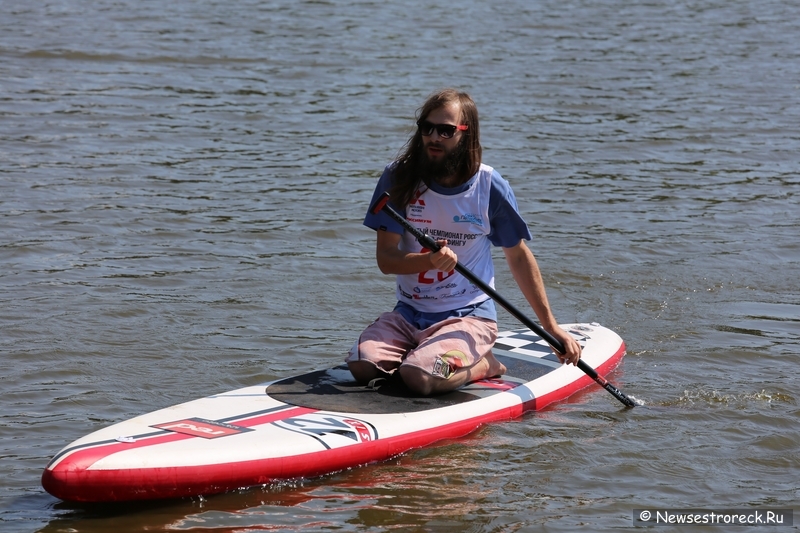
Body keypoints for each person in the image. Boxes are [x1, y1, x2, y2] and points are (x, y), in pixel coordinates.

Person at [346, 88, 581, 396]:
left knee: (421, 376)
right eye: (426, 128)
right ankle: (419, 352)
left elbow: (518, 256)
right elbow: (386, 260)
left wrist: (551, 328)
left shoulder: (489, 188)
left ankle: (483, 364)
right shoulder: (398, 178)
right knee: (362, 365)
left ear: (466, 136)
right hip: (408, 313)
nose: (433, 137)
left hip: (469, 317)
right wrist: (429, 260)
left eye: (445, 130)